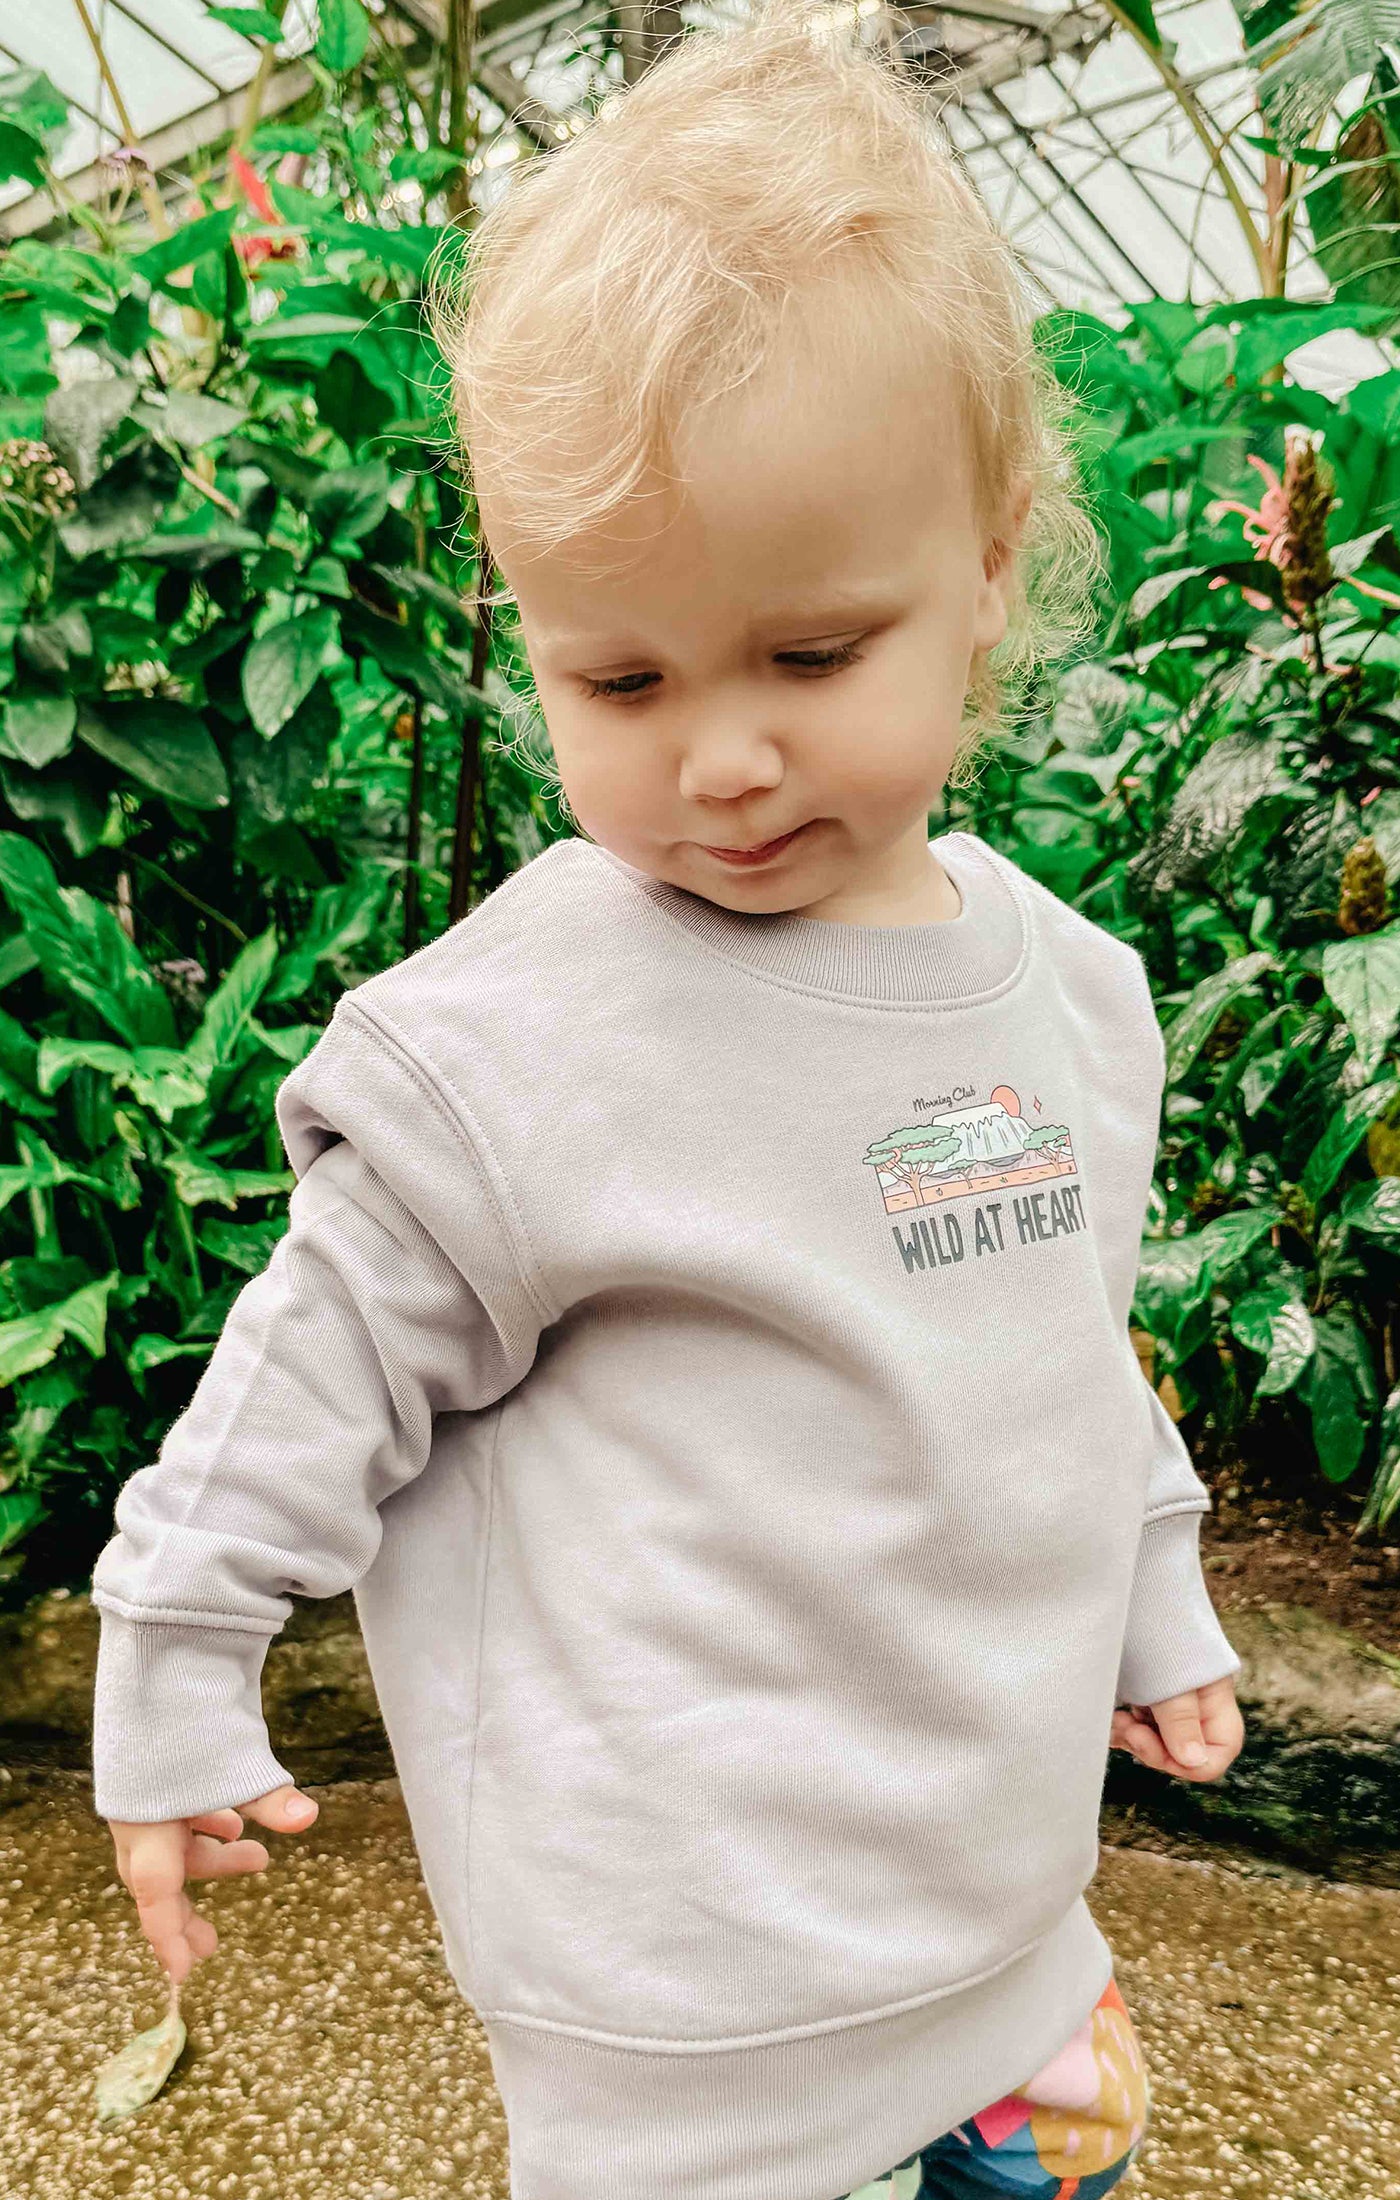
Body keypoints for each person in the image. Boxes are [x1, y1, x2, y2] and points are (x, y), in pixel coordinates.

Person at [92, 4, 1247, 2195]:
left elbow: (1054, 1350)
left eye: (811, 655)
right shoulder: (536, 1027)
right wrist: (175, 1651)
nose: (717, 755)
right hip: (690, 2035)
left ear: (990, 556)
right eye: (615, 677)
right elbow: (316, 1356)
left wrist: (1151, 1580)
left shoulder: (1070, 1002)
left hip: (1009, 1969)